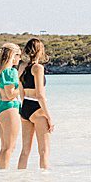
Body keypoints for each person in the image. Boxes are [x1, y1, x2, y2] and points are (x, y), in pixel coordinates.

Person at [16, 38, 55, 170]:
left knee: (25, 151)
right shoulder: (38, 68)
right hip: (37, 108)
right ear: (39, 51)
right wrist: (49, 117)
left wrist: (25, 108)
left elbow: (21, 92)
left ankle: (19, 181)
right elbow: (40, 95)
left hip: (25, 107)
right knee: (44, 151)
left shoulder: (21, 67)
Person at [0, 42, 24, 169]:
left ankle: (2, 174)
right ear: (12, 55)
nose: (19, 59)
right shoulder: (10, 72)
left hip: (1, 109)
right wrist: (21, 87)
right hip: (9, 107)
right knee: (10, 147)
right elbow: (10, 94)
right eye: (18, 55)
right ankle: (6, 176)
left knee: (5, 147)